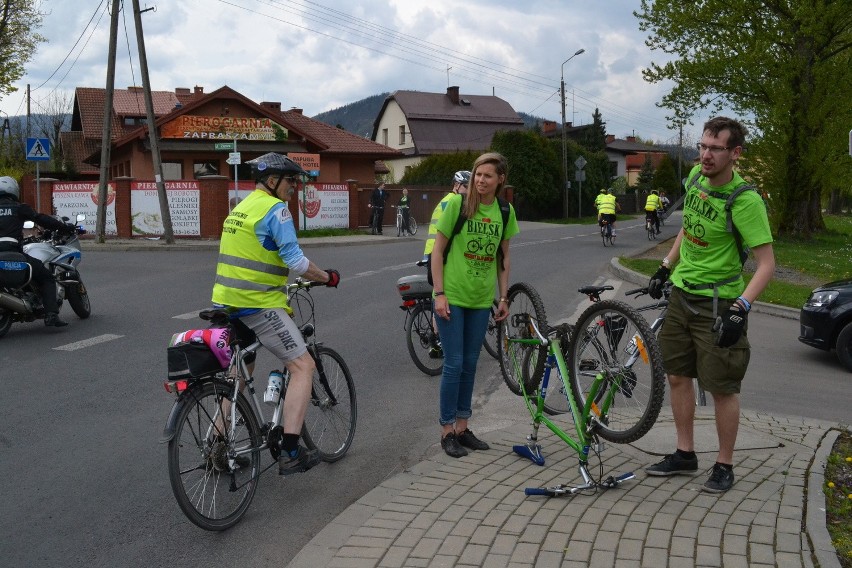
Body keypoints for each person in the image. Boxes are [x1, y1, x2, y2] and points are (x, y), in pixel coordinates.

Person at [645, 116, 775, 493]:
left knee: (721, 387)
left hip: (719, 304)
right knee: (677, 376)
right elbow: (688, 227)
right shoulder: (695, 180)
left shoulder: (745, 201)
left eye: (715, 148)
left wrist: (741, 307)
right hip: (682, 295)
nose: (705, 155)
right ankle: (685, 453)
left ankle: (724, 463)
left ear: (735, 153)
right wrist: (666, 266)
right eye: (702, 146)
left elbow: (767, 265)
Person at [211, 152, 341, 476]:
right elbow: (296, 263)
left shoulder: (240, 208)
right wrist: (327, 276)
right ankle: (291, 451)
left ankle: (216, 446)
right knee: (302, 366)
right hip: (257, 304)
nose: (294, 188)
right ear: (272, 181)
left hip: (226, 303)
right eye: (291, 181)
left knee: (240, 374)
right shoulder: (276, 210)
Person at [431, 153, 518, 458]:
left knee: (470, 364)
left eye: (487, 176)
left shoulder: (505, 212)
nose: (480, 180)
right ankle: (446, 431)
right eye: (477, 174)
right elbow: (437, 252)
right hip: (452, 296)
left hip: (481, 300)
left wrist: (504, 297)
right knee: (454, 363)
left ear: (500, 179)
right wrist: (439, 293)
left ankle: (463, 427)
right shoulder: (457, 204)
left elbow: (503, 258)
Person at [0, 176, 76, 327]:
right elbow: (41, 219)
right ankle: (51, 315)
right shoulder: (19, 208)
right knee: (47, 277)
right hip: (12, 250)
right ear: (13, 190)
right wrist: (64, 227)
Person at [421, 170, 470, 358]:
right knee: (442, 297)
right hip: (439, 255)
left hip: (434, 253)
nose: (468, 191)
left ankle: (438, 340)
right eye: (465, 186)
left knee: (442, 296)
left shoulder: (447, 200)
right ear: (456, 186)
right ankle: (437, 341)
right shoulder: (453, 201)